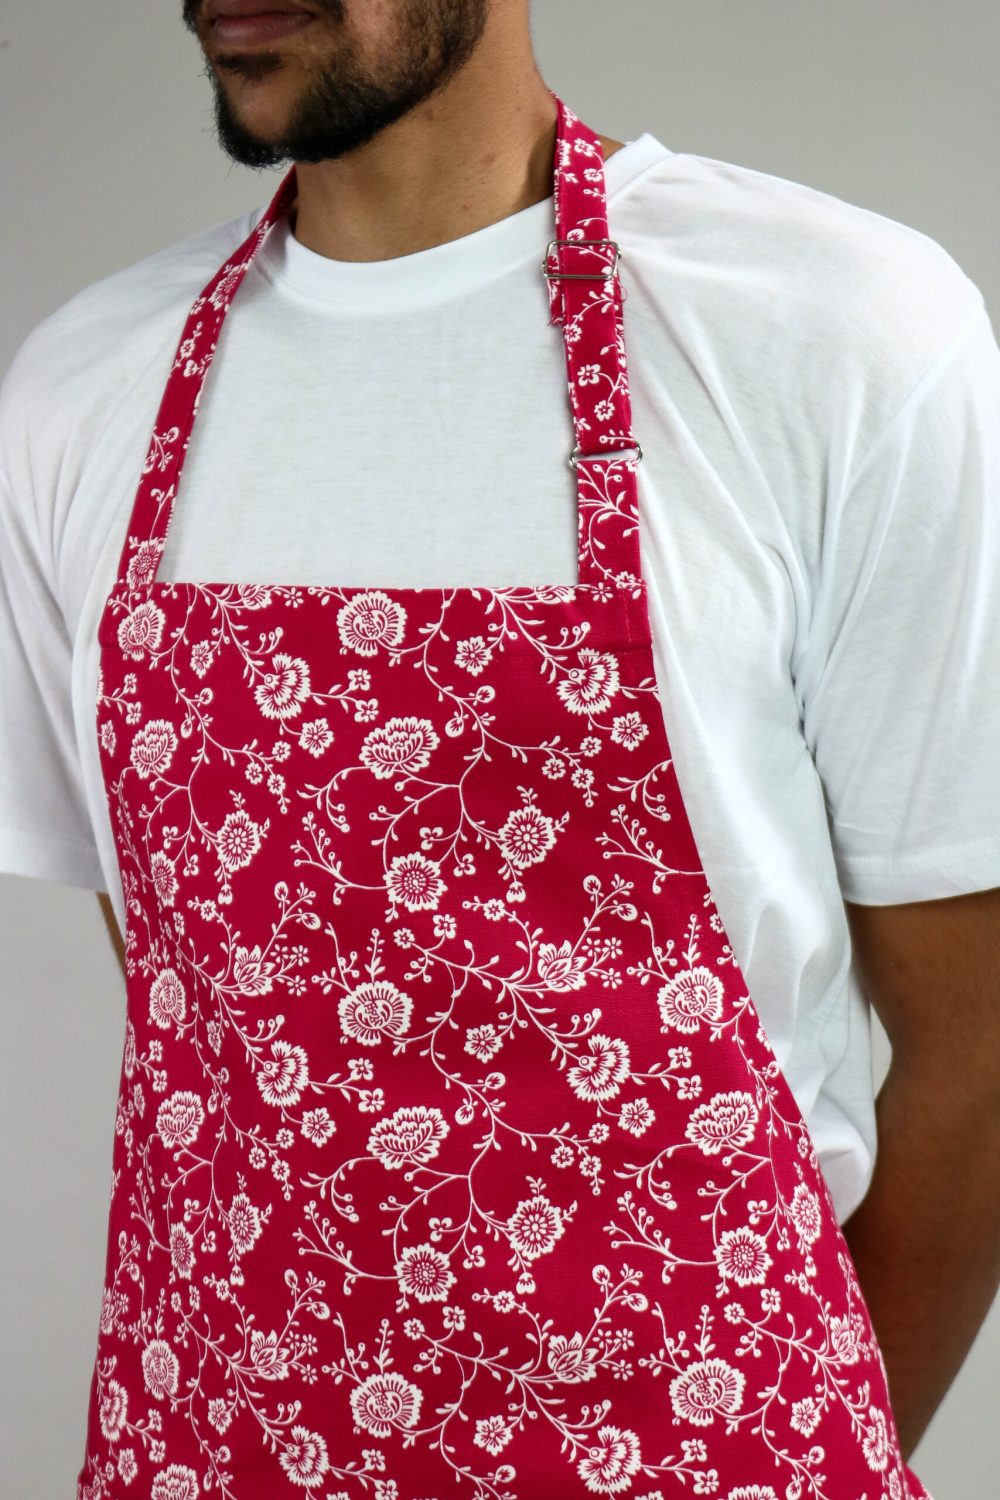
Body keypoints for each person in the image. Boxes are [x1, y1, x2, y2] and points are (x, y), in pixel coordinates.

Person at [1, 1, 998, 1495]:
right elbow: (197, 1002)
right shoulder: (80, 391)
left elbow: (978, 1044)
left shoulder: (832, 331)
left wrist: (789, 1456)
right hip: (215, 1450)